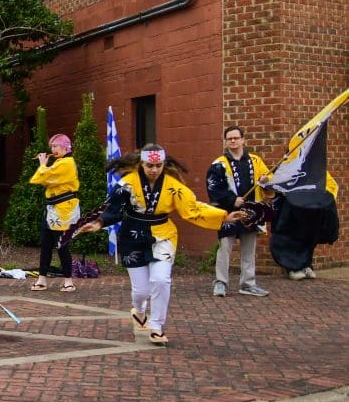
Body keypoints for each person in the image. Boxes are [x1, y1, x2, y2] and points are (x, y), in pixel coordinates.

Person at [75, 144, 247, 346]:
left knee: (161, 280)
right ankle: (138, 310)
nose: (154, 169)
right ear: (142, 163)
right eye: (150, 165)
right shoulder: (127, 184)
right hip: (132, 236)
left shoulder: (173, 186)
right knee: (141, 291)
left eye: (158, 165)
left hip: (162, 235)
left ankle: (157, 327)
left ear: (163, 164)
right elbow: (114, 209)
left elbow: (192, 208)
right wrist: (98, 223)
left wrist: (224, 216)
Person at [206, 126, 272, 296]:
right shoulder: (218, 164)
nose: (233, 141)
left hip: (251, 211)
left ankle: (248, 283)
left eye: (236, 138)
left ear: (243, 140)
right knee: (225, 247)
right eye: (229, 139)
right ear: (226, 142)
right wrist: (231, 200)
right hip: (228, 214)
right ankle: (221, 282)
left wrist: (265, 181)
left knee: (249, 248)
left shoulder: (255, 161)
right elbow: (213, 187)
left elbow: (268, 182)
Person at [28, 134, 79, 292]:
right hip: (51, 209)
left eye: (56, 146)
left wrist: (43, 164)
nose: (53, 149)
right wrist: (44, 169)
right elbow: (39, 179)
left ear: (66, 147)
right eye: (52, 146)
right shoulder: (58, 163)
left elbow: (43, 177)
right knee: (46, 245)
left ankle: (68, 281)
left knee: (62, 245)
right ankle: (42, 279)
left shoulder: (67, 163)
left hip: (64, 209)